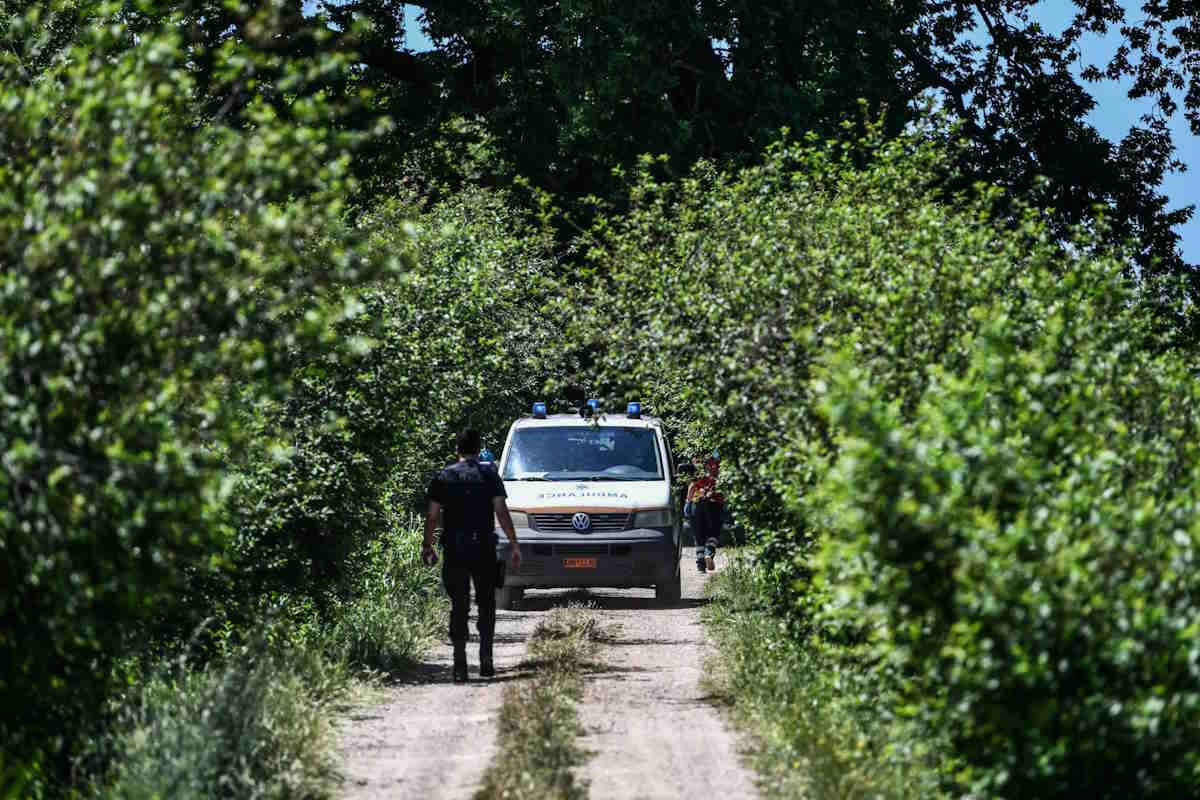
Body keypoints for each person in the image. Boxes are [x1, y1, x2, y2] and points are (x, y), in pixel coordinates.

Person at [423, 429, 522, 682]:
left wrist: (427, 546)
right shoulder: (489, 475)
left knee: (459, 605)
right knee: (487, 603)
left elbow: (432, 516)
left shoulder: (444, 476)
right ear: (478, 450)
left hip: (455, 549)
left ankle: (459, 663)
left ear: (457, 449)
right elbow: (501, 511)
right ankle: (486, 658)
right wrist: (514, 543)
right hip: (484, 548)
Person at [688, 456, 724, 573]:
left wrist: (688, 502)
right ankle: (709, 553)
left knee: (699, 536)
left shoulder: (697, 460)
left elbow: (692, 486)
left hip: (696, 503)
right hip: (714, 504)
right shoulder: (717, 462)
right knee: (713, 533)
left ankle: (700, 566)